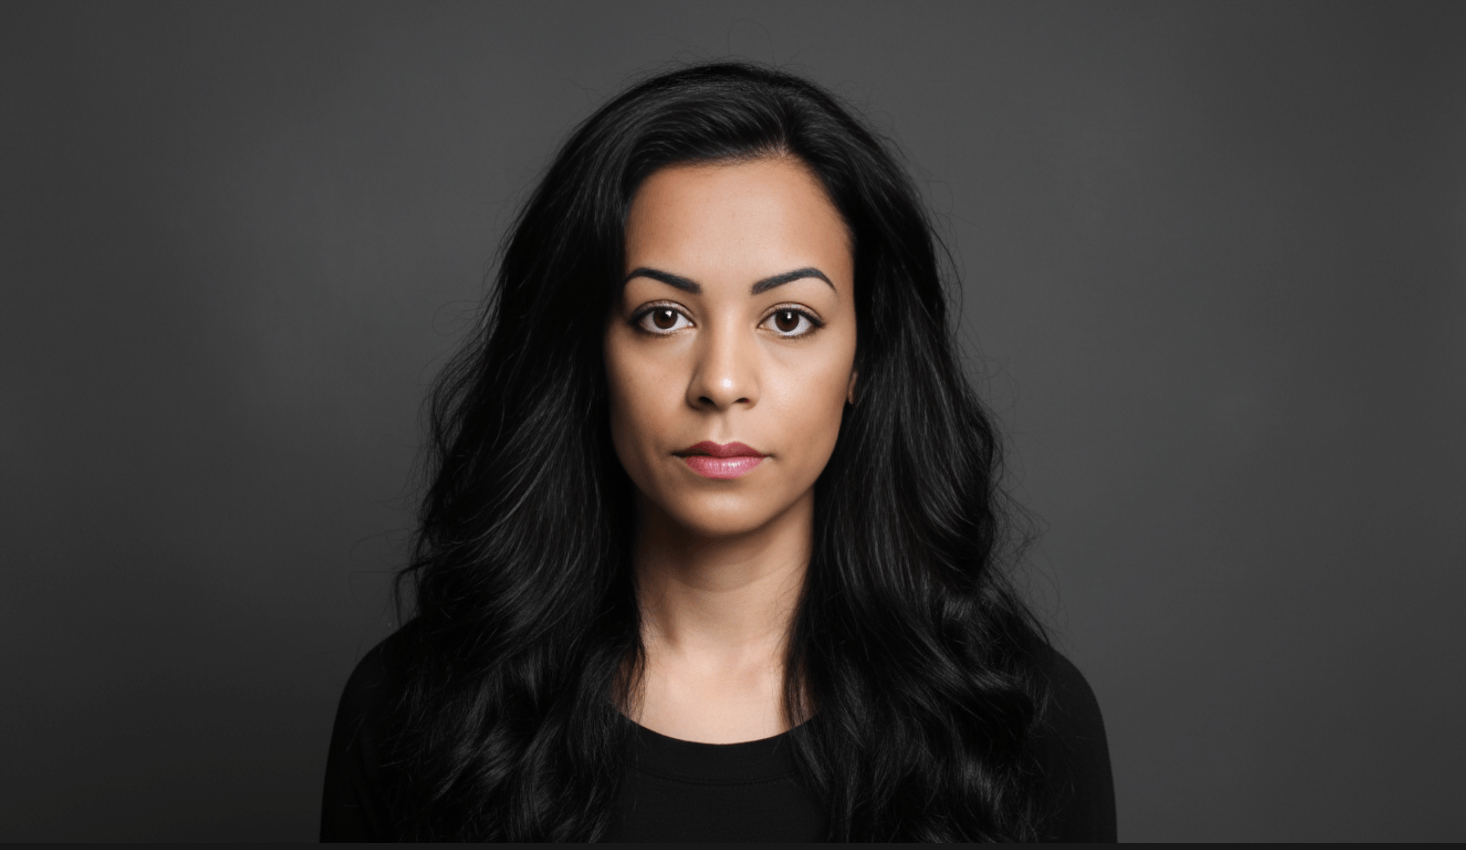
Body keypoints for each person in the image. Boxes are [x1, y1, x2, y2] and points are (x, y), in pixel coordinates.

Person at [320, 61, 1115, 842]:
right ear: (586, 355)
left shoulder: (1023, 725)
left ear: (863, 362)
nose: (723, 382)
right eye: (663, 317)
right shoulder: (413, 717)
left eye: (790, 318)